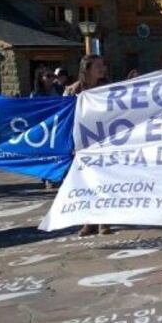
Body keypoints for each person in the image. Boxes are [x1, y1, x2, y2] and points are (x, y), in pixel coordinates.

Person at [66, 55, 111, 236]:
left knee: (103, 181)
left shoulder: (107, 88)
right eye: (97, 66)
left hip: (102, 141)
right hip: (81, 143)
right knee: (85, 182)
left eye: (103, 65)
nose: (102, 69)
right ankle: (89, 221)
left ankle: (105, 220)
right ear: (87, 68)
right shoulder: (74, 90)